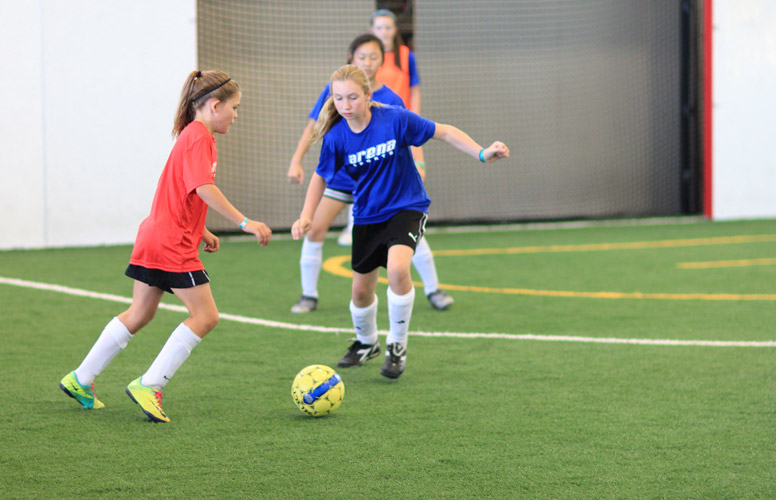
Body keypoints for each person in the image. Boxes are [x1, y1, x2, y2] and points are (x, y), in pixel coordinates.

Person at [59, 70, 271, 423]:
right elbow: (202, 187)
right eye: (235, 108)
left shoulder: (192, 135)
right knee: (206, 317)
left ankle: (81, 378)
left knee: (140, 313)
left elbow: (181, 191)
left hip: (154, 235)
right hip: (172, 244)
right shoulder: (199, 137)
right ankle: (150, 384)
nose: (236, 115)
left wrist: (200, 228)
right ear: (215, 105)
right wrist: (245, 222)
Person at [292, 65, 509, 379]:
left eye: (353, 97)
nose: (346, 105)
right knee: (361, 292)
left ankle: (397, 344)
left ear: (368, 95)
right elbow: (320, 176)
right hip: (367, 215)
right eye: (339, 99)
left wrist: (481, 153)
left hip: (407, 206)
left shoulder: (395, 118)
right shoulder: (336, 137)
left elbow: (444, 131)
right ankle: (366, 343)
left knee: (397, 269)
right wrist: (307, 215)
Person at [287, 34, 454, 314]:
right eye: (361, 56)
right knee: (314, 228)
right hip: (343, 178)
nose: (367, 61)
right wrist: (296, 160)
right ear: (351, 58)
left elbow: (412, 134)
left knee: (408, 237)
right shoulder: (336, 91)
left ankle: (434, 290)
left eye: (373, 56)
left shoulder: (391, 100)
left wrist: (419, 164)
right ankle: (308, 295)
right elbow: (315, 128)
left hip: (381, 183)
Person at [370, 9, 421, 113]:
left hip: (401, 117)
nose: (383, 32)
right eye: (379, 28)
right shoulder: (366, 57)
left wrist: (416, 118)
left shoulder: (406, 55)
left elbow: (414, 91)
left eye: (388, 28)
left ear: (395, 29)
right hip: (375, 117)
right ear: (372, 30)